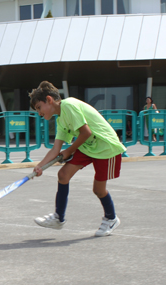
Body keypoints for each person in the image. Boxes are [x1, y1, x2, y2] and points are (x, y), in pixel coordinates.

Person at [29, 81, 126, 237]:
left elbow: (85, 132)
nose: (39, 113)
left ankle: (111, 218)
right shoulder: (60, 119)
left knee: (98, 190)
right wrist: (39, 166)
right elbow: (55, 149)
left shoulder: (69, 105)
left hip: (106, 147)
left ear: (49, 100)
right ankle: (58, 218)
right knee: (63, 175)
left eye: (39, 107)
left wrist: (68, 151)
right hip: (88, 146)